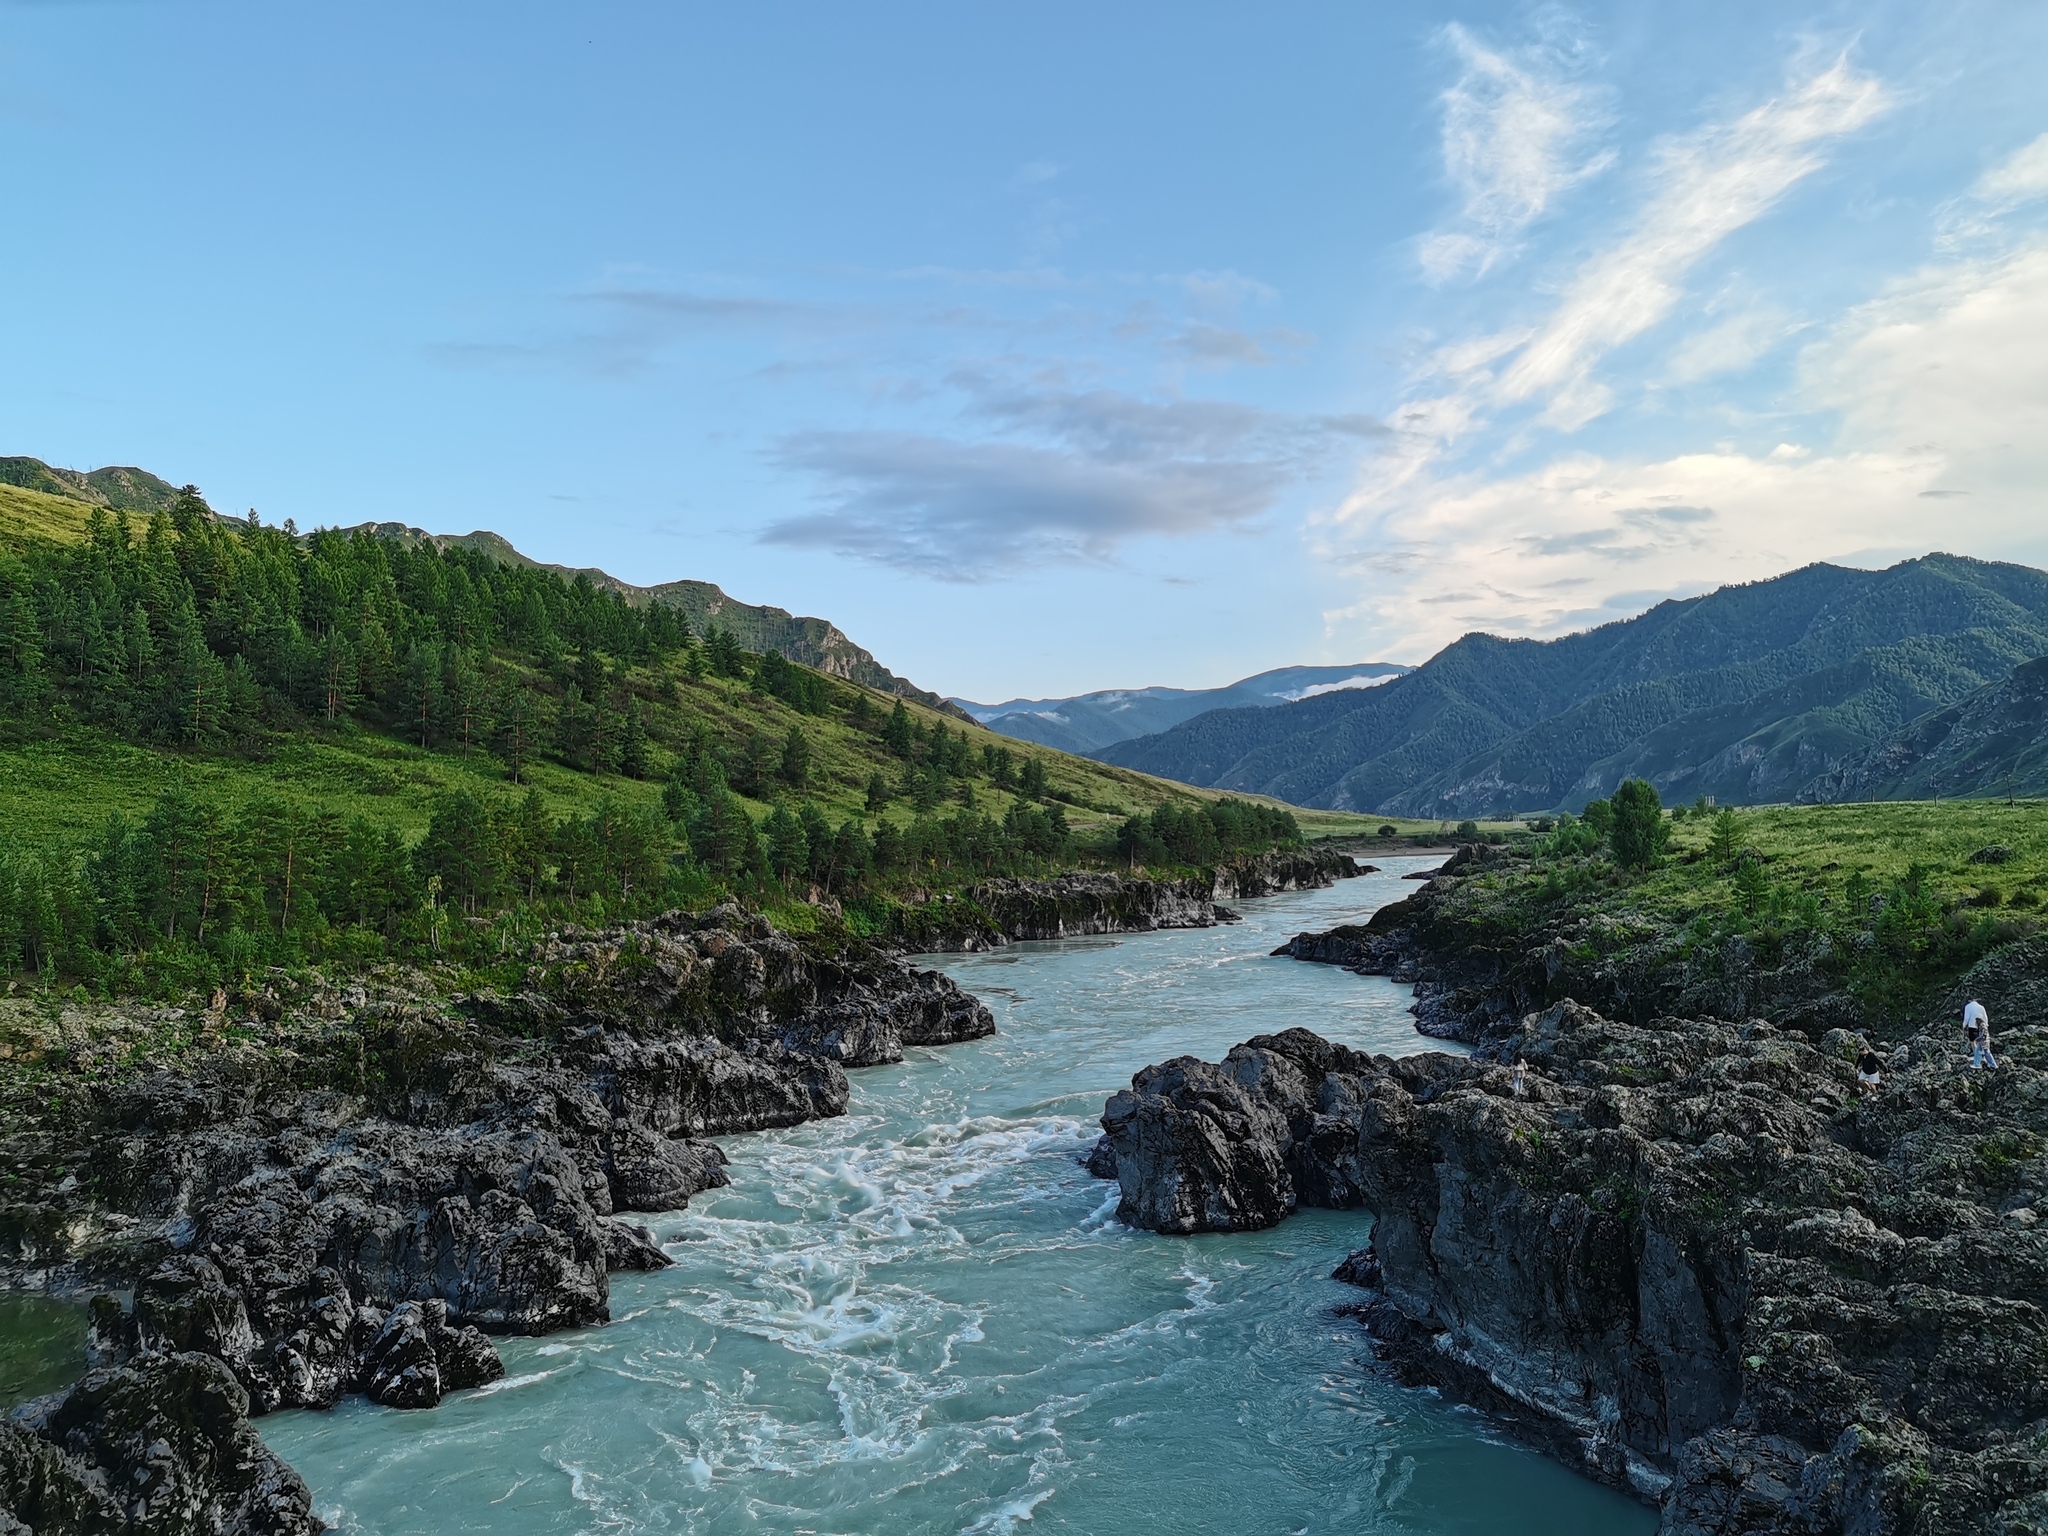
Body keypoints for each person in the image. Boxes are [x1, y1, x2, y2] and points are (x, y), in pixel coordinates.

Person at [1964, 999, 1997, 1070]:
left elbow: (1966, 1018)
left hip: (1972, 1027)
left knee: (1974, 1043)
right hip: (1983, 1033)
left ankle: (1977, 1062)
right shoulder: (1981, 1007)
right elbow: (1985, 1017)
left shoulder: (1968, 1007)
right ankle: (1991, 1064)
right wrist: (1986, 1025)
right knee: (1985, 1050)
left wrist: (1964, 1026)